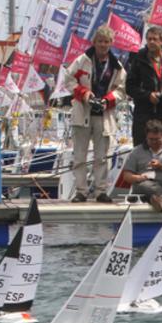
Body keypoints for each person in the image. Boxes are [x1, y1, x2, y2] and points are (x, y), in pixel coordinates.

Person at [65, 25, 126, 203]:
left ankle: (100, 191)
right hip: (82, 111)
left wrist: (107, 100)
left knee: (102, 155)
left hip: (103, 114)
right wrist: (85, 94)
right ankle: (81, 191)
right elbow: (68, 80)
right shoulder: (82, 60)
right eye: (100, 41)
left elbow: (122, 90)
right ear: (94, 42)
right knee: (79, 155)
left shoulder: (117, 66)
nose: (103, 45)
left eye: (106, 42)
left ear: (111, 43)